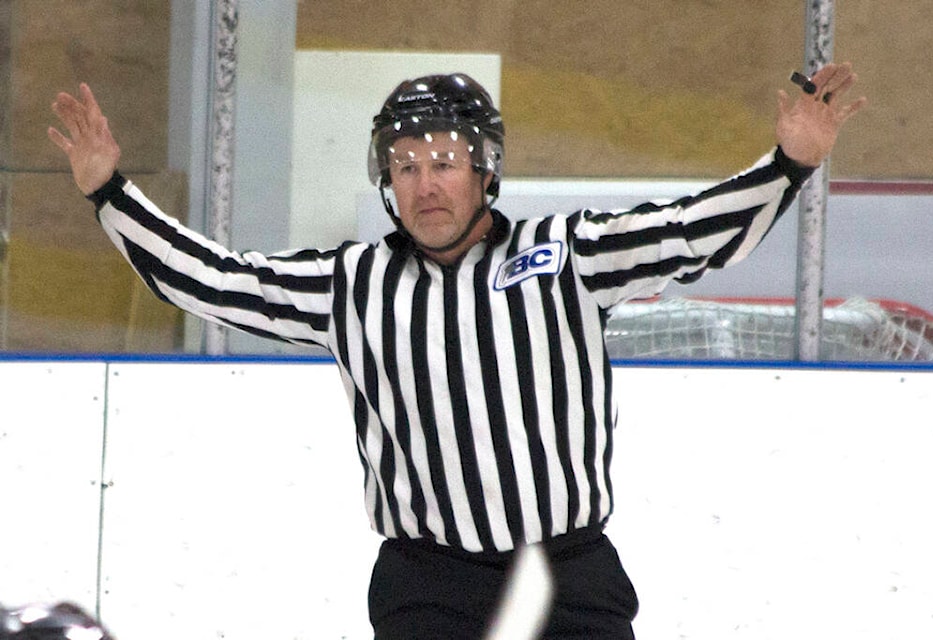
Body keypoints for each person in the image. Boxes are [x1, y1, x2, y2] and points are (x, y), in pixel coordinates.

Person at [48, 65, 865, 638]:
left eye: (444, 162)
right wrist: (109, 192)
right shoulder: (352, 283)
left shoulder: (564, 254)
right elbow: (215, 281)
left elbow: (691, 232)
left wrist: (789, 163)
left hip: (568, 579)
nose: (424, 184)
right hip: (426, 588)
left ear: (486, 169)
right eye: (404, 166)